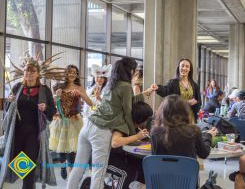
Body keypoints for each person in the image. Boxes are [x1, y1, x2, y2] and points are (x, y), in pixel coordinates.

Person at [67, 57, 154, 189]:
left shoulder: (111, 83)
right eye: (135, 70)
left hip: (88, 126)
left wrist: (145, 93)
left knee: (78, 168)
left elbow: (126, 100)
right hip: (101, 131)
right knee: (99, 174)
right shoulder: (125, 86)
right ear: (130, 70)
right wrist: (133, 135)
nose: (135, 72)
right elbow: (127, 111)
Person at [0, 54, 61, 189]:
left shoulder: (44, 90)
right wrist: (9, 103)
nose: (29, 73)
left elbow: (52, 111)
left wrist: (45, 108)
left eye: (32, 71)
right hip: (17, 134)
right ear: (24, 72)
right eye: (27, 70)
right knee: (19, 164)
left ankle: (28, 185)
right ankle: (29, 183)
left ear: (38, 73)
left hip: (35, 134)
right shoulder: (17, 88)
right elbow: (7, 111)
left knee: (30, 164)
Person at [49, 65, 93, 180]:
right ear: (66, 73)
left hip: (75, 122)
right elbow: (52, 103)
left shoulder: (79, 87)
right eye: (70, 72)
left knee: (72, 151)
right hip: (61, 122)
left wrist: (81, 94)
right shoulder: (57, 86)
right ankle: (63, 166)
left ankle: (71, 177)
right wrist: (56, 96)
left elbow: (90, 103)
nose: (72, 74)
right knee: (61, 152)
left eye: (75, 72)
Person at [151, 94, 217, 159]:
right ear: (185, 111)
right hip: (186, 169)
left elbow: (154, 156)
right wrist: (209, 136)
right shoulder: (194, 130)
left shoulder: (155, 132)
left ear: (163, 111)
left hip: (161, 169)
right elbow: (204, 154)